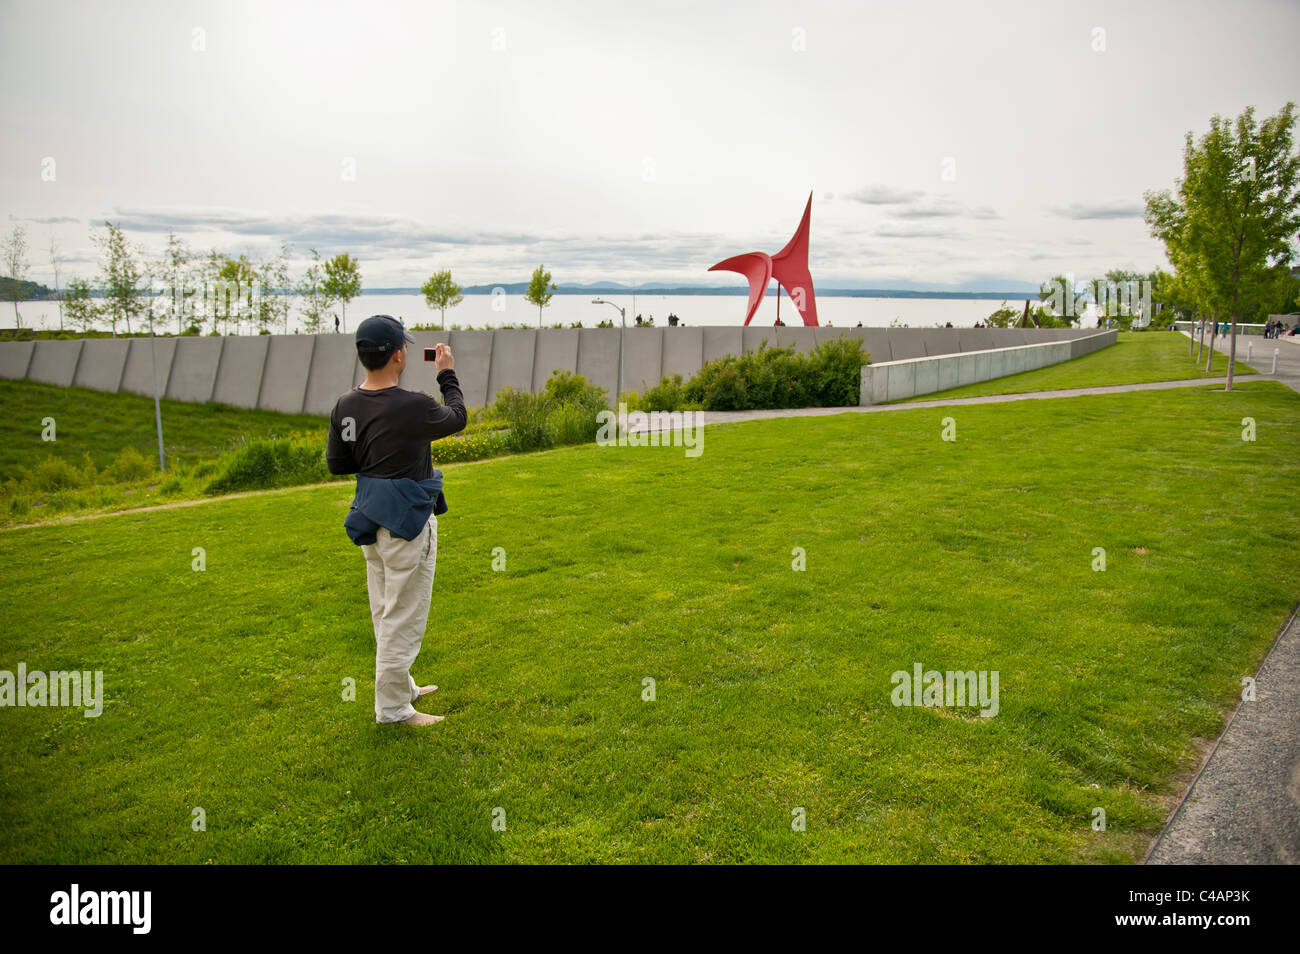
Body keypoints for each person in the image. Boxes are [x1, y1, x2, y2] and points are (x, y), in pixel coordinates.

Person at [326, 315, 467, 727]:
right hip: (407, 520)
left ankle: (401, 687)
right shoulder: (414, 406)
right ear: (399, 353)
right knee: (402, 615)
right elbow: (457, 416)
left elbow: (338, 463)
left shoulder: (346, 405)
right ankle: (393, 711)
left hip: (371, 515)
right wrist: (447, 373)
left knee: (386, 608)